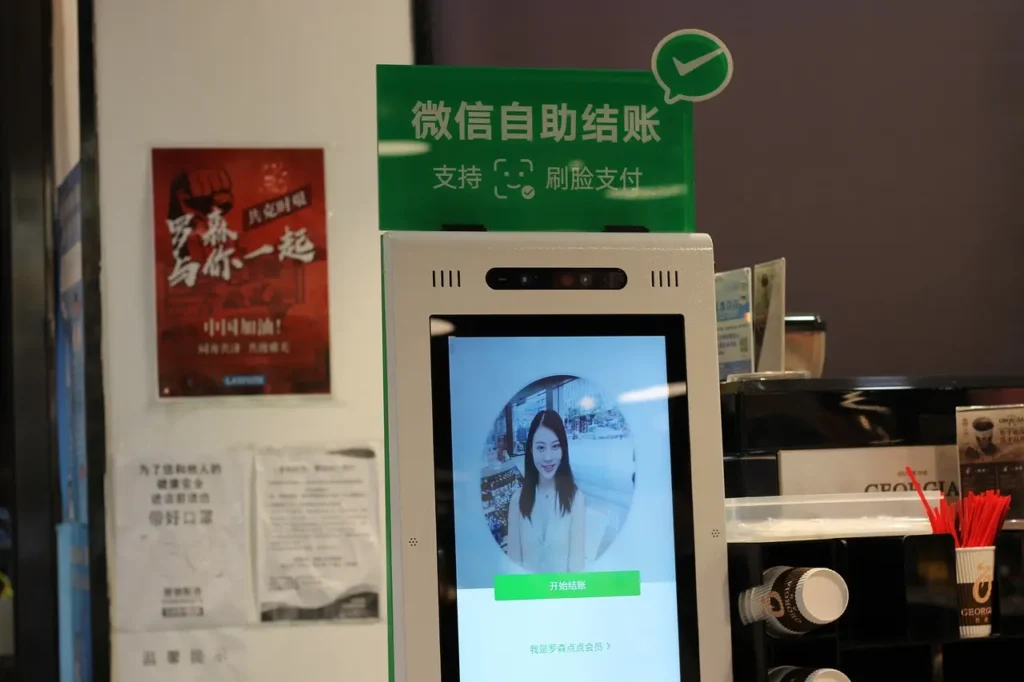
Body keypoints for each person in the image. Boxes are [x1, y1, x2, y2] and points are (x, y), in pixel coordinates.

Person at [507, 410, 586, 572]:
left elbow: (576, 568)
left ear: (563, 449)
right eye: (541, 448)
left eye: (555, 446)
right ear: (530, 450)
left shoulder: (576, 499)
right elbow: (513, 568)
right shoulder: (517, 499)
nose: (548, 457)